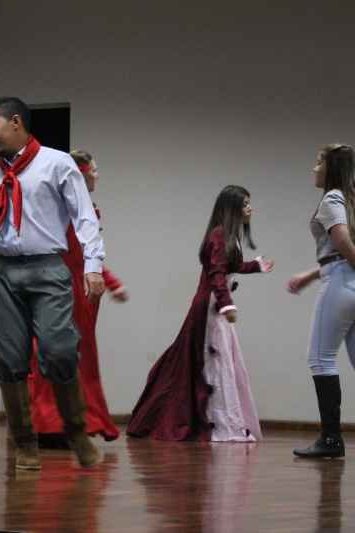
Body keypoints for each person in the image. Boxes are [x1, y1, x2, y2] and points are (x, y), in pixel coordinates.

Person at [0, 97, 106, 470]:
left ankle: (76, 432)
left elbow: (84, 217)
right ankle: (25, 444)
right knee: (9, 359)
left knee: (58, 350)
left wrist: (93, 266)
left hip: (47, 268)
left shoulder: (57, 164)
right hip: (2, 271)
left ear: (15, 122)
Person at [127, 185, 273, 442]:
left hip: (214, 306)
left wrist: (255, 266)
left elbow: (231, 266)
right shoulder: (219, 236)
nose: (250, 208)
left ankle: (218, 420)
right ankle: (216, 422)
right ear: (231, 208)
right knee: (214, 363)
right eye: (244, 204)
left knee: (218, 362)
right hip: (211, 309)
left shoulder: (227, 236)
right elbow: (216, 273)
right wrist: (226, 303)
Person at [28, 150, 126, 444]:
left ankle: (63, 423)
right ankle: (56, 424)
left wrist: (110, 282)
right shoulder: (68, 212)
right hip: (68, 293)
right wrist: (111, 282)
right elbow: (76, 256)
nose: (98, 175)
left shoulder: (67, 209)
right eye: (94, 170)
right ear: (81, 174)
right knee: (66, 357)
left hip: (73, 291)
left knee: (70, 357)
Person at [289, 144, 355, 459]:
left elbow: (342, 242)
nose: (314, 169)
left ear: (332, 168)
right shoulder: (349, 200)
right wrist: (311, 274)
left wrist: (320, 275)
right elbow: (340, 252)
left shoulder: (332, 198)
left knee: (319, 358)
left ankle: (331, 439)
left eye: (319, 163)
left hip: (341, 283)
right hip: (345, 279)